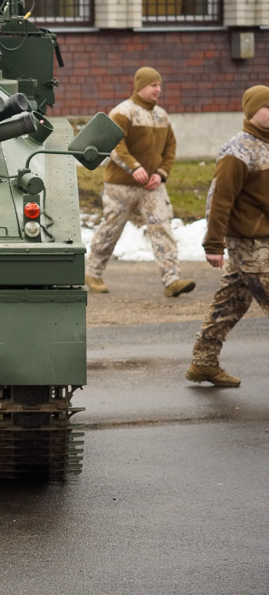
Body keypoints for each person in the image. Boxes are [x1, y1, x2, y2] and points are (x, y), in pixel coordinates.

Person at [85, 66, 195, 298]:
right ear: (140, 86)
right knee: (111, 229)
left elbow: (170, 147)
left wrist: (162, 173)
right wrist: (133, 167)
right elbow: (115, 144)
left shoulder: (161, 116)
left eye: (159, 86)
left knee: (162, 227)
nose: (158, 90)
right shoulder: (124, 112)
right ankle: (92, 273)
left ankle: (172, 280)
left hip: (152, 187)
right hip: (120, 186)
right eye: (153, 85)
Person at [187, 85, 269, 388]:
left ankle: (204, 363)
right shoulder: (238, 150)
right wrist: (214, 243)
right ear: (251, 112)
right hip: (248, 240)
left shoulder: (267, 145)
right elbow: (220, 199)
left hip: (264, 238)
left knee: (232, 300)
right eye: (267, 107)